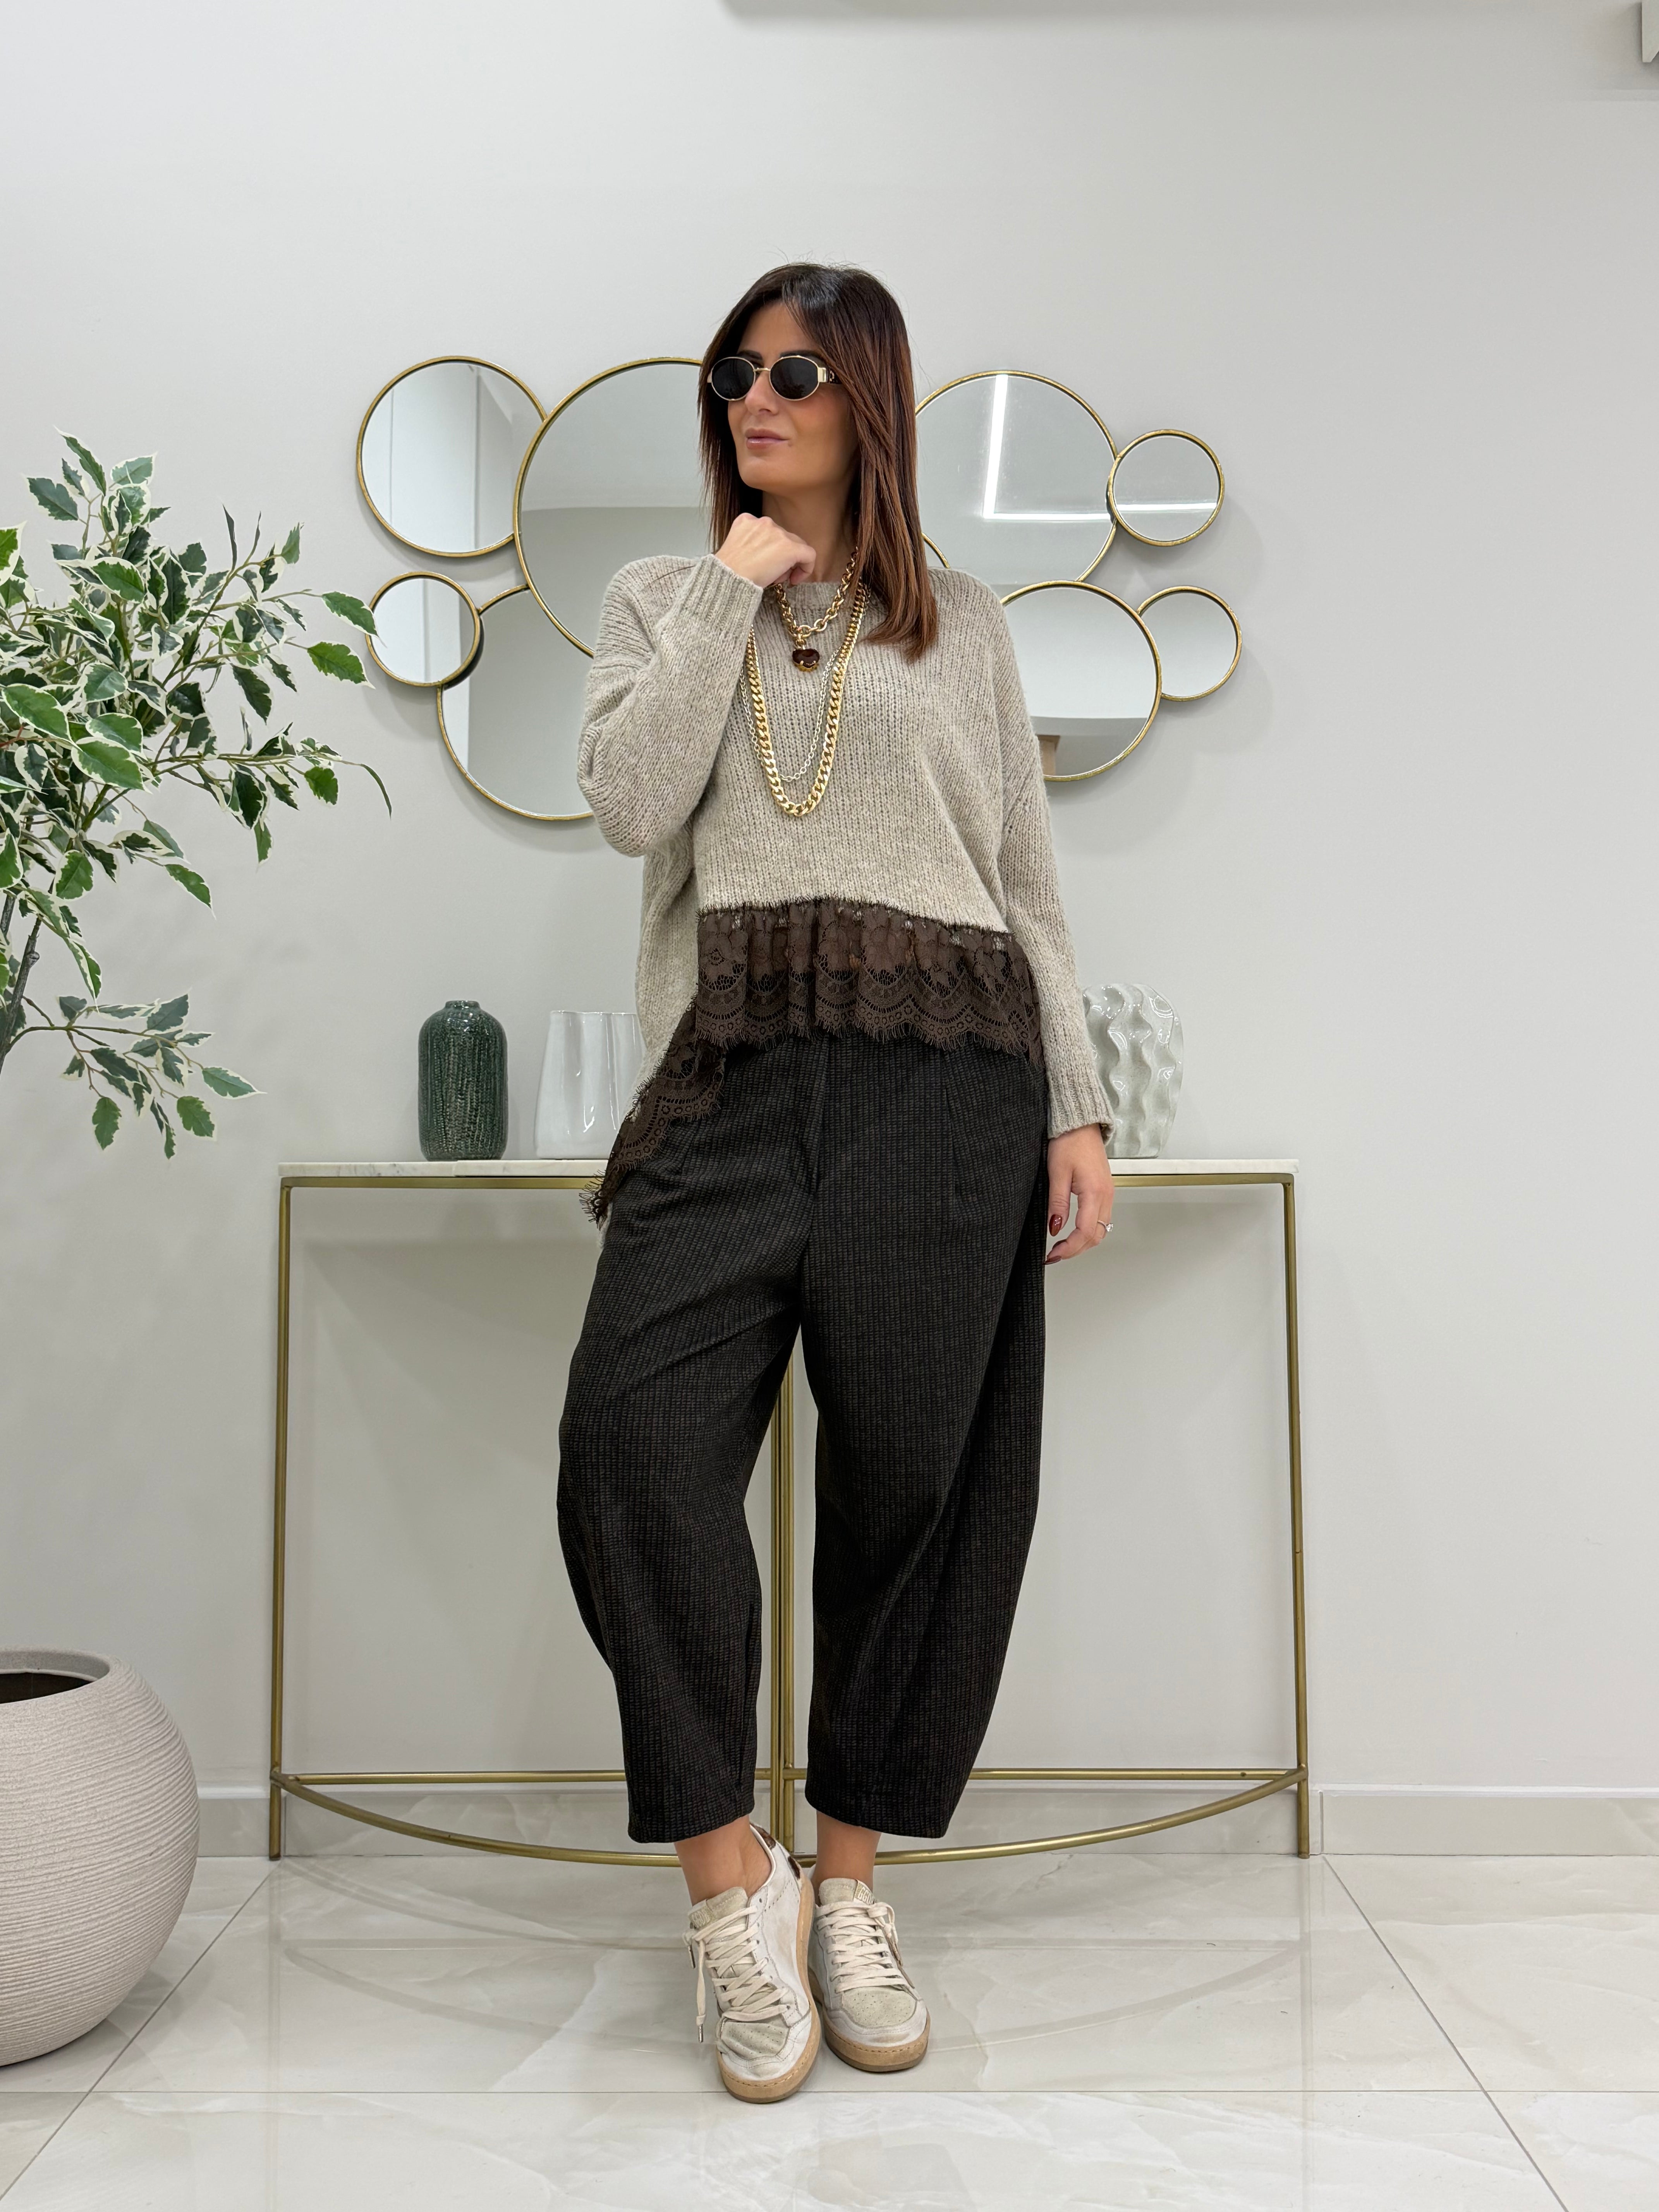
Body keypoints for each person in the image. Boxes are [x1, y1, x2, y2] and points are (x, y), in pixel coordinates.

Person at [556, 261, 1114, 2104]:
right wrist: (731, 586)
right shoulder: (663, 599)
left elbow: (1026, 884)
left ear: (868, 396)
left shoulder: (967, 624)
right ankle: (735, 1893)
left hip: (950, 1085)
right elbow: (630, 805)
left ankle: (853, 1885)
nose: (757, 395)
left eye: (796, 371)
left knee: (916, 1492)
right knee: (630, 1451)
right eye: (737, 369)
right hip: (729, 1086)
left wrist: (1076, 1105)